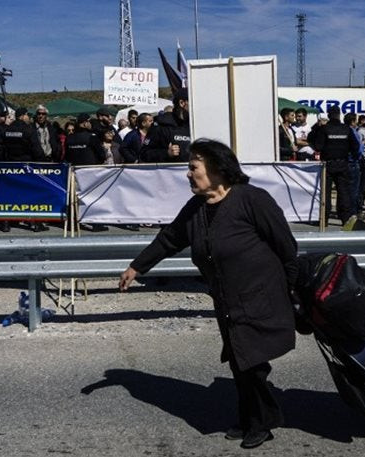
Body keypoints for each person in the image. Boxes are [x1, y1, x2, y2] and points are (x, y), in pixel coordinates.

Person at [119, 139, 297, 449]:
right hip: (226, 298)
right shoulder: (197, 209)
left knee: (250, 361)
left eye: (193, 168)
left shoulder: (253, 199)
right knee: (241, 361)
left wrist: (292, 290)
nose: (188, 174)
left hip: (260, 295)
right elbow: (169, 239)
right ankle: (250, 417)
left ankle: (261, 421)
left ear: (216, 169)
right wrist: (137, 267)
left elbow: (286, 247)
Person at [312, 105, 355, 228]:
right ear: (339, 115)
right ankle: (345, 219)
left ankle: (324, 219)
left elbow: (318, 146)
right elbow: (355, 147)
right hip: (342, 164)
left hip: (328, 165)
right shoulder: (346, 129)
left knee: (326, 192)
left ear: (329, 115)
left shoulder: (324, 129)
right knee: (343, 193)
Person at [140, 88, 191, 163]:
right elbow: (144, 154)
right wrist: (167, 153)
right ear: (182, 103)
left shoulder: (195, 125)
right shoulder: (161, 125)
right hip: (171, 173)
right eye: (192, 101)